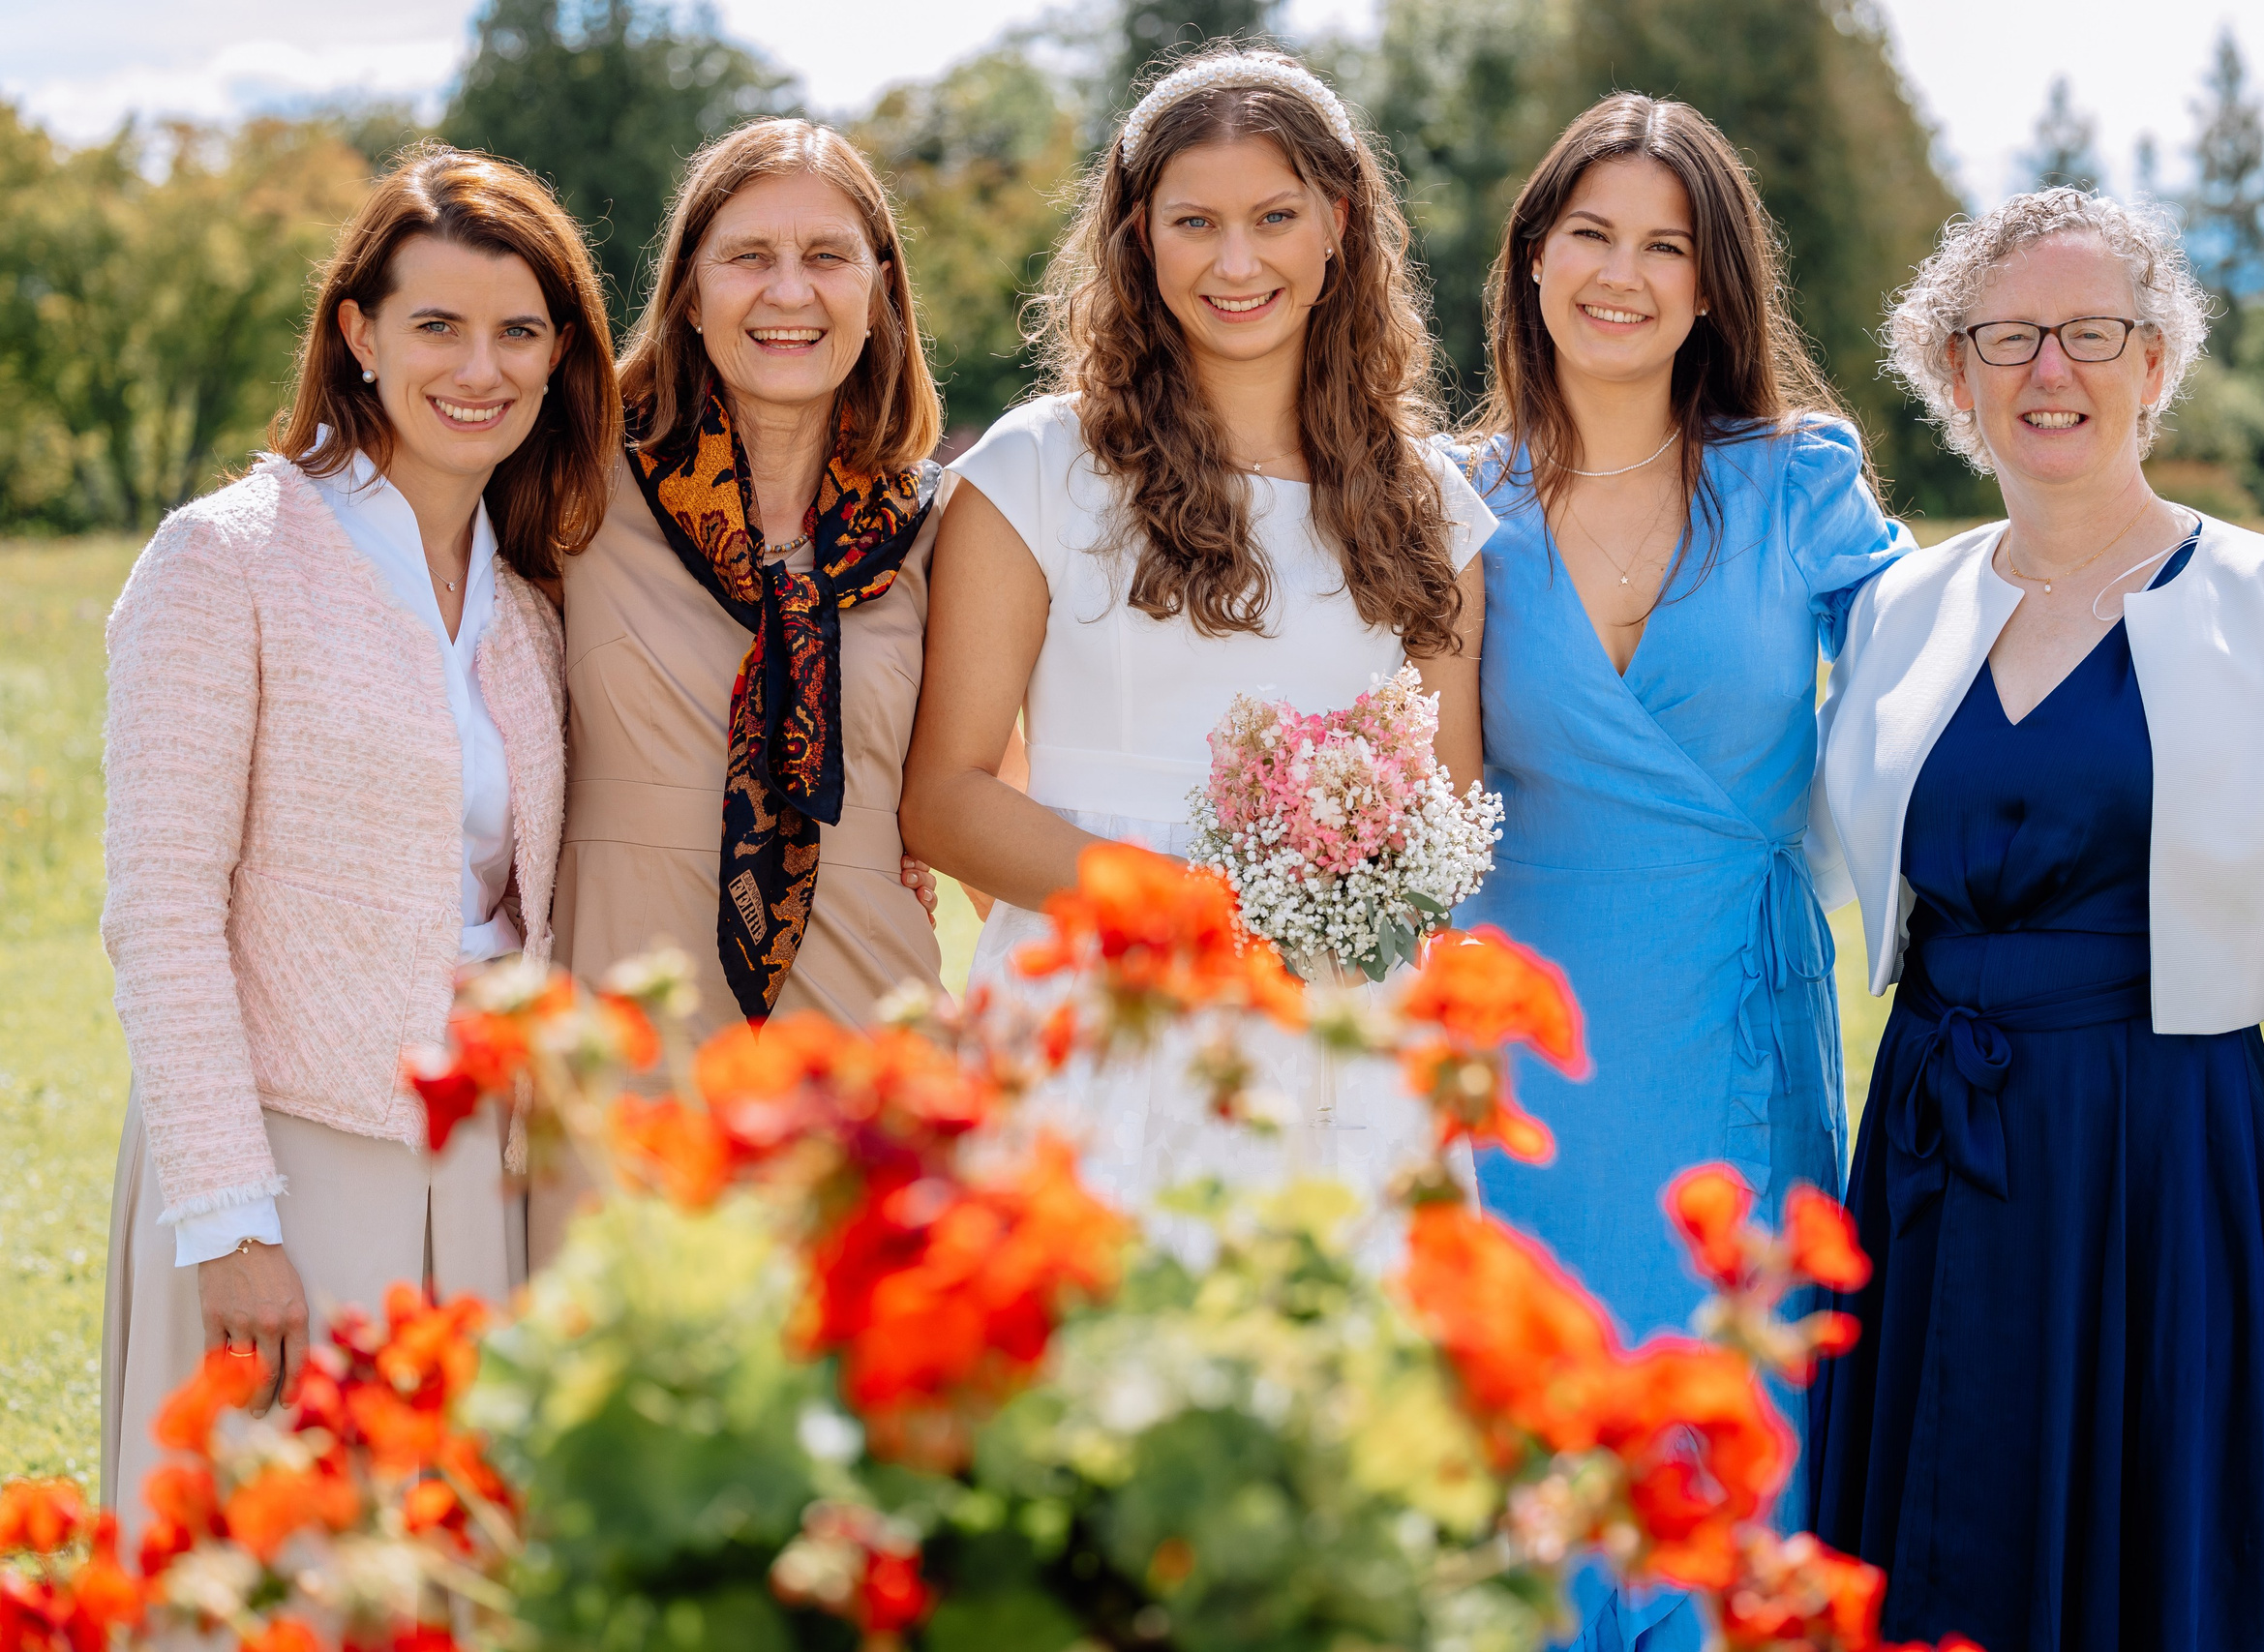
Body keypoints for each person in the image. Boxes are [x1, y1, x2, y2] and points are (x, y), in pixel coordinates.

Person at [1808, 189, 2264, 1650]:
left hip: (2168, 1145)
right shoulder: (1903, 607)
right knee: (1937, 1518)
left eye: (2093, 332)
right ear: (1951, 373)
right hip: (1931, 1142)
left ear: (2157, 363)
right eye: (2007, 335)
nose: (2050, 371)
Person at [1448, 94, 1910, 1651]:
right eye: (1591, 234)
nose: (1623, 275)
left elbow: (1948, 678)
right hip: (1522, 1048)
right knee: (1531, 1426)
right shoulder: (1453, 500)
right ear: (1529, 260)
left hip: (1729, 1020)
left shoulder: (1803, 485)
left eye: (1668, 244)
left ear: (1715, 287)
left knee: (1728, 1426)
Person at [99, 145, 617, 1517]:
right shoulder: (226, 558)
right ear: (358, 334)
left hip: (478, 1155)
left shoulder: (527, 598)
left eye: (518, 333)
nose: (480, 368)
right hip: (285, 1148)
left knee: (449, 1566)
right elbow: (160, 906)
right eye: (437, 325)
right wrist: (230, 1216)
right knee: (283, 1568)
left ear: (560, 353)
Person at [899, 49, 1494, 1234]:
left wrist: (1327, 920)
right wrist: (1195, 915)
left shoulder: (1428, 501)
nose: (1236, 262)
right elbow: (947, 799)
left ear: (1336, 224)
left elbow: (1447, 792)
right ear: (1136, 236)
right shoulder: (1035, 469)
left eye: (1273, 217)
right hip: (1097, 1009)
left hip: (1337, 1031)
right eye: (1193, 222)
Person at [533, 118, 948, 1257]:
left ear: (879, 292)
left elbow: (972, 789)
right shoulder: (566, 485)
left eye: (826, 256)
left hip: (865, 1033)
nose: (788, 293)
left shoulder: (938, 527)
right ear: (689, 291)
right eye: (747, 256)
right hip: (630, 1029)